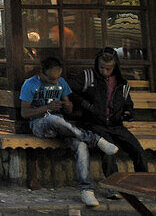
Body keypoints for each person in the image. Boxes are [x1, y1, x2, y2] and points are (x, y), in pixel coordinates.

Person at [20, 56, 119, 208]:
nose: (55, 81)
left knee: (81, 145)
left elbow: (70, 108)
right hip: (40, 124)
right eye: (51, 78)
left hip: (64, 127)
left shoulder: (61, 82)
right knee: (53, 119)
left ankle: (86, 190)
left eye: (57, 77)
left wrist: (67, 105)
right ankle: (95, 139)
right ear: (42, 73)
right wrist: (47, 108)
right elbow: (24, 113)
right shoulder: (30, 84)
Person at [69, 47, 148, 178]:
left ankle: (143, 181)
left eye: (108, 68)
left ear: (115, 67)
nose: (104, 71)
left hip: (116, 125)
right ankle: (113, 184)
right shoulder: (88, 76)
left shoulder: (122, 84)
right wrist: (86, 104)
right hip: (94, 124)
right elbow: (70, 90)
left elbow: (128, 104)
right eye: (101, 67)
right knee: (108, 150)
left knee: (138, 150)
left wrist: (128, 113)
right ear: (97, 65)